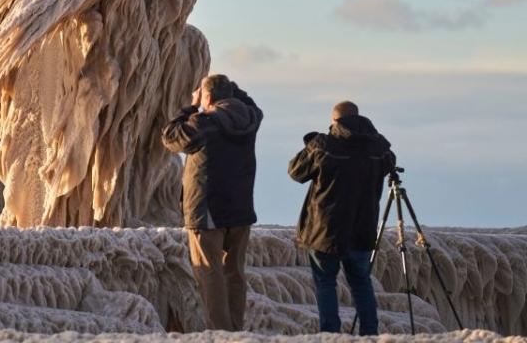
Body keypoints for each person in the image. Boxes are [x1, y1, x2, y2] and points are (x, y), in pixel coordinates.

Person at [162, 74, 263, 331]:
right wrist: (229, 91)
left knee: (209, 272)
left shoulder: (204, 122)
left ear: (208, 98)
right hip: (240, 209)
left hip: (207, 209)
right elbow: (250, 103)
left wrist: (191, 106)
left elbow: (171, 137)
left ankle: (220, 332)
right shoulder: (251, 119)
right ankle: (236, 329)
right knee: (234, 273)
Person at [288, 100, 396, 335]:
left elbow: (295, 172)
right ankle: (370, 334)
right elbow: (390, 165)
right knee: (361, 283)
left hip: (325, 230)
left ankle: (330, 334)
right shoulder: (379, 148)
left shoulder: (324, 145)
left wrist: (310, 145)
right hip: (363, 228)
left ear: (334, 120)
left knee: (326, 283)